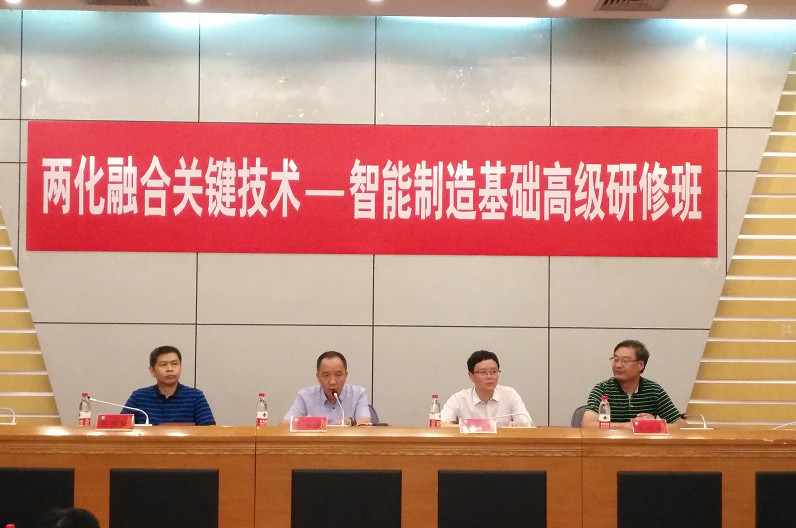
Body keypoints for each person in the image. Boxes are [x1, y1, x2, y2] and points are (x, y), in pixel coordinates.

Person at [582, 339, 683, 429]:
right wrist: (629, 425)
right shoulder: (603, 389)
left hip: (642, 444)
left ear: (640, 365)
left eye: (625, 361)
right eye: (616, 360)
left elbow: (681, 426)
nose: (618, 365)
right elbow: (587, 424)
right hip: (610, 443)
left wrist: (654, 425)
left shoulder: (654, 391)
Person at [122, 345, 215, 425]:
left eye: (174, 364)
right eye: (163, 364)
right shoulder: (139, 397)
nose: (170, 369)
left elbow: (209, 431)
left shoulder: (195, 397)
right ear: (152, 371)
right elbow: (120, 428)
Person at [441, 350, 533, 427]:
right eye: (483, 372)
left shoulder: (510, 395)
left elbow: (531, 425)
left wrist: (521, 425)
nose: (489, 377)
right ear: (471, 376)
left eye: (493, 372)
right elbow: (440, 424)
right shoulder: (459, 399)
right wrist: (468, 427)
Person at [281, 351, 371, 426]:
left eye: (338, 375)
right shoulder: (305, 396)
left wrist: (352, 422)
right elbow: (283, 425)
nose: (332, 382)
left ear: (346, 375)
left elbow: (366, 422)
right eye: (326, 375)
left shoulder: (358, 393)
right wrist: (306, 423)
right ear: (318, 377)